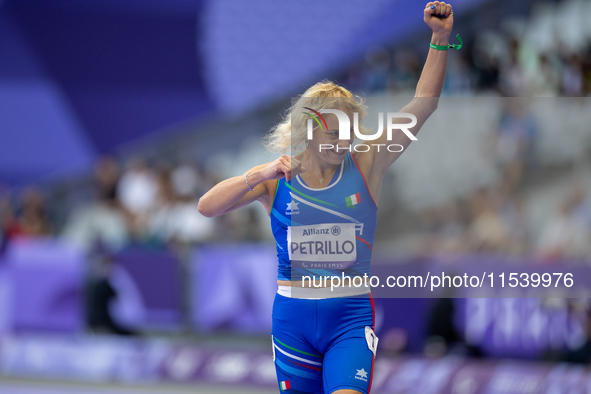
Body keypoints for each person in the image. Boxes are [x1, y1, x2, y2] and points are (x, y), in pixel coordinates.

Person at [198, 2, 454, 393]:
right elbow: (208, 206)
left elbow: (423, 105)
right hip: (293, 322)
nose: (343, 140)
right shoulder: (275, 179)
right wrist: (260, 173)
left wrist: (439, 38)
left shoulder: (368, 161)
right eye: (333, 133)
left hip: (349, 318)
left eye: (349, 131)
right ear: (308, 130)